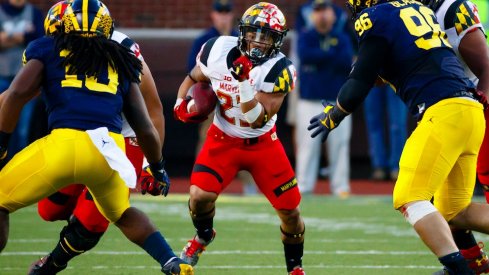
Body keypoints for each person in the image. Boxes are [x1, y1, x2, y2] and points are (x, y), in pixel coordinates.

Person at [0, 0, 193, 274]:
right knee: (109, 213)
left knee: (84, 221)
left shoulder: (53, 49)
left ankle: (50, 265)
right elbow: (145, 125)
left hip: (78, 144)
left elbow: (16, 95)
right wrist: (159, 167)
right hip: (109, 150)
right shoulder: (118, 58)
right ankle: (171, 260)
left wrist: (1, 143)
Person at [308, 0, 489, 273]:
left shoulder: (376, 17)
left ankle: (459, 270)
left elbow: (359, 83)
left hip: (443, 112)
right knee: (455, 211)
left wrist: (335, 113)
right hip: (470, 112)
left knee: (409, 196)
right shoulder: (418, 10)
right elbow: (392, 63)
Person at [173, 3, 306, 274]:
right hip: (223, 138)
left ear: (277, 40)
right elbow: (192, 77)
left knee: (291, 213)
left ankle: (295, 268)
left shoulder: (279, 69)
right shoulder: (217, 49)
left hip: (263, 145)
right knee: (199, 196)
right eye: (254, 33)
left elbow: (256, 118)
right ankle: (203, 236)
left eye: (267, 35)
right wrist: (180, 104)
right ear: (242, 32)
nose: (258, 41)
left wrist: (243, 81)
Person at [420, 0, 489, 274]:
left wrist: (480, 103)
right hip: (446, 110)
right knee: (444, 199)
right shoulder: (405, 14)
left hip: (476, 108)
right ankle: (472, 260)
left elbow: (486, 67)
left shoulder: (451, 8)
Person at [186, 0, 257, 195]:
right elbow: (192, 71)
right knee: (207, 140)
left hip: (235, 99)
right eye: (220, 13)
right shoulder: (204, 39)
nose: (223, 17)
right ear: (213, 15)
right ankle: (201, 183)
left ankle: (250, 187)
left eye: (227, 13)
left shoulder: (240, 38)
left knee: (244, 139)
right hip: (210, 97)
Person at [295, 0, 354, 197]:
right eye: (318, 11)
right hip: (310, 100)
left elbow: (345, 60)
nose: (321, 15)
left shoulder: (342, 37)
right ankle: (304, 186)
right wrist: (330, 56)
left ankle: (341, 187)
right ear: (312, 15)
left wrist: (322, 57)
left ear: (333, 14)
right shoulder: (306, 36)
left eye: (325, 11)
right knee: (308, 145)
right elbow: (305, 56)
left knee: (339, 145)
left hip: (336, 102)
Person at [0, 0, 44, 163]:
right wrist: (22, 36)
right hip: (2, 75)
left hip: (25, 80)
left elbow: (38, 41)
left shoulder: (34, 13)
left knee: (23, 128)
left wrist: (7, 38)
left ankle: (17, 165)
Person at [363, 82, 408, 181]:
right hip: (373, 74)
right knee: (373, 122)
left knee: (398, 124)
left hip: (396, 75)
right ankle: (379, 165)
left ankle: (397, 166)